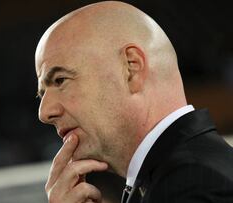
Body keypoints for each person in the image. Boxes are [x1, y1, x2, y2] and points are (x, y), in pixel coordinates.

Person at [34, 1, 233, 203]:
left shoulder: (192, 187)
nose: (44, 112)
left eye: (60, 80)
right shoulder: (184, 175)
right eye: (42, 94)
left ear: (131, 68)